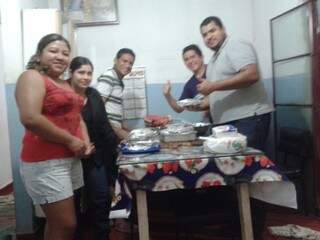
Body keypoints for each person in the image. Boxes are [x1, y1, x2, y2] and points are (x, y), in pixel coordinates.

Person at [15, 33, 94, 240]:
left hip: (70, 160)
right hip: (45, 162)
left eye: (65, 53)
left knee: (58, 222)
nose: (60, 56)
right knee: (66, 224)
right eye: (53, 51)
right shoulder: (31, 77)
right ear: (39, 54)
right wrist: (70, 140)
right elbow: (30, 118)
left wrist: (85, 143)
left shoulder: (64, 83)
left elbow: (78, 118)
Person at [194, 16, 273, 151]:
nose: (208, 37)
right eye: (204, 34)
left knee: (247, 165)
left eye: (212, 31)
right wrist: (196, 105)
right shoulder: (214, 59)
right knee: (233, 167)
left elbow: (251, 75)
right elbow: (219, 93)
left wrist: (212, 86)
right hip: (229, 124)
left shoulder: (235, 43)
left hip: (248, 118)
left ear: (223, 29)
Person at [69, 56, 119, 240]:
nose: (86, 77)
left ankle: (102, 236)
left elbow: (104, 125)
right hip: (69, 158)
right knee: (72, 206)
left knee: (101, 198)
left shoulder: (93, 95)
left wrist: (116, 148)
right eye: (81, 72)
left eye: (89, 73)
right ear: (71, 73)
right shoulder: (63, 93)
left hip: (94, 157)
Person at [96, 48, 135, 140]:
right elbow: (97, 109)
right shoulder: (109, 76)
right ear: (115, 60)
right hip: (106, 132)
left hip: (113, 131)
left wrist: (133, 132)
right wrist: (117, 131)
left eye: (131, 63)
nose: (127, 65)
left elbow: (115, 112)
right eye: (124, 61)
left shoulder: (119, 81)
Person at [163, 44, 206, 113]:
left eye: (193, 57)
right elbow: (179, 108)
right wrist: (167, 95)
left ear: (201, 57)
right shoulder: (189, 85)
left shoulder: (213, 70)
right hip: (210, 122)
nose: (190, 61)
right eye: (186, 59)